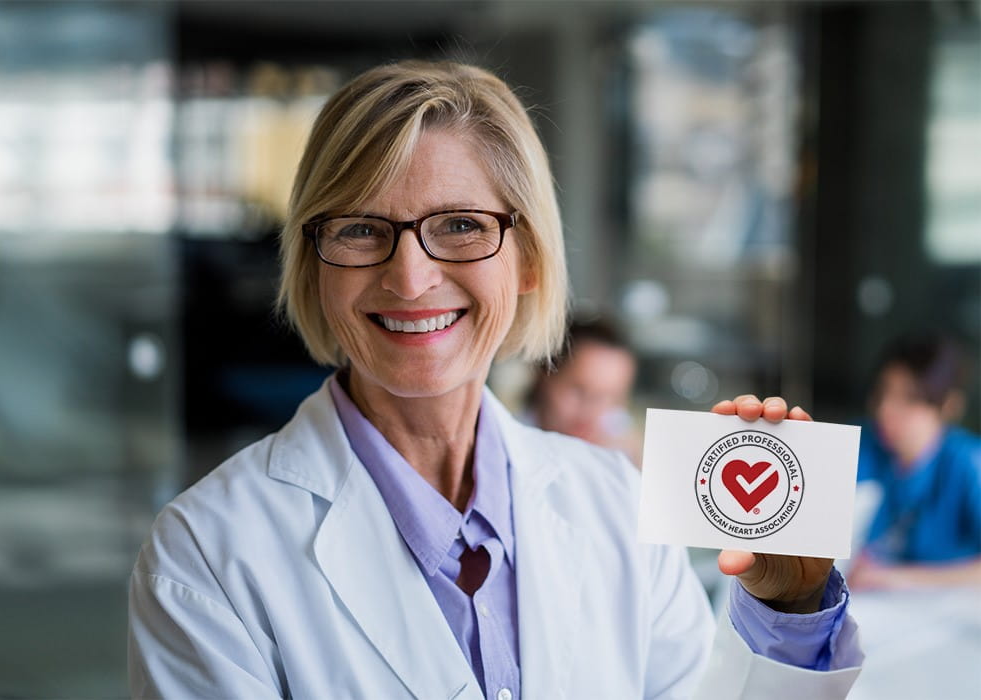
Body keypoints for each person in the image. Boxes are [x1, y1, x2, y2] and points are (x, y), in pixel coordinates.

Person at [128, 60, 863, 699]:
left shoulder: (617, 505)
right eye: (358, 228)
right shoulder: (207, 554)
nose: (410, 278)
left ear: (530, 258)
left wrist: (789, 612)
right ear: (314, 266)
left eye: (459, 225)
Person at [848, 331, 981, 590]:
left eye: (909, 398)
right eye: (882, 393)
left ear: (948, 406)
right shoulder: (862, 445)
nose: (886, 409)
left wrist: (893, 577)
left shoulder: (969, 463)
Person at [530, 316, 642, 464]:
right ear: (544, 375)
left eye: (608, 397)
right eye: (579, 391)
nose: (591, 410)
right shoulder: (508, 442)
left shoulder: (624, 453)